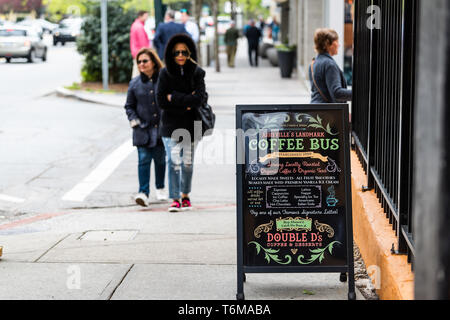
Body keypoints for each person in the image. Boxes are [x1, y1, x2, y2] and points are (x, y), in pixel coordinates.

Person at [156, 33, 207, 212]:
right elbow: (161, 101)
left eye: (184, 52)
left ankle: (185, 195)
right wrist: (185, 102)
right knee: (173, 161)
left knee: (187, 163)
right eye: (177, 52)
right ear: (171, 53)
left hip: (192, 125)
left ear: (190, 53)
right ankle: (175, 198)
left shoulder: (198, 73)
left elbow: (199, 99)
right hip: (170, 126)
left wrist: (174, 97)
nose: (180, 55)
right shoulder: (164, 73)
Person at [124, 48, 167, 207]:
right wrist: (134, 121)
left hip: (161, 130)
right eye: (139, 62)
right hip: (142, 130)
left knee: (161, 160)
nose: (141, 64)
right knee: (143, 160)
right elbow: (129, 106)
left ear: (154, 63)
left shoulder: (164, 80)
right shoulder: (134, 83)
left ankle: (161, 186)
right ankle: (143, 193)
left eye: (145, 61)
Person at [309, 28, 352, 103]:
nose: (339, 45)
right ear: (328, 44)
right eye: (337, 41)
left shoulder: (313, 63)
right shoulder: (329, 64)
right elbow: (337, 93)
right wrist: (359, 93)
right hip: (327, 112)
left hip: (315, 109)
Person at [130, 11, 151, 78]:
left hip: (136, 52)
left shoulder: (136, 25)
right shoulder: (139, 27)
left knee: (137, 71)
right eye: (145, 16)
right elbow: (143, 42)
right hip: (139, 52)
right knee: (137, 72)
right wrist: (146, 53)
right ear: (140, 16)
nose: (147, 18)